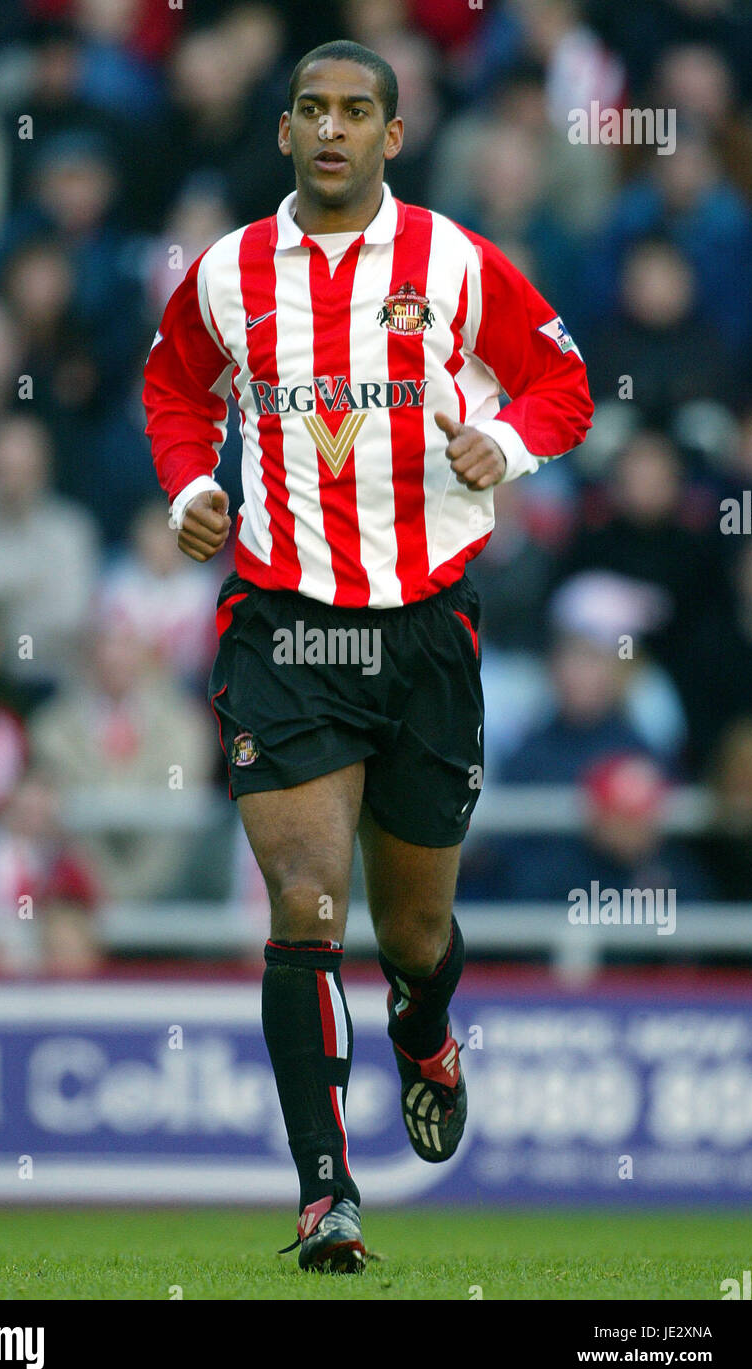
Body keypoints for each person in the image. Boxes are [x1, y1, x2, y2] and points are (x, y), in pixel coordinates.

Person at [142, 40, 593, 1272]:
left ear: (392, 135)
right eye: (310, 110)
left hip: (424, 631)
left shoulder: (449, 260)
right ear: (283, 128)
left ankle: (426, 1027)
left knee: (408, 932)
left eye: (356, 112)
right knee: (303, 902)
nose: (331, 130)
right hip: (284, 626)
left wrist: (504, 440)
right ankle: (324, 1192)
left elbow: (562, 380)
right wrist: (190, 486)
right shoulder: (230, 271)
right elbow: (174, 388)